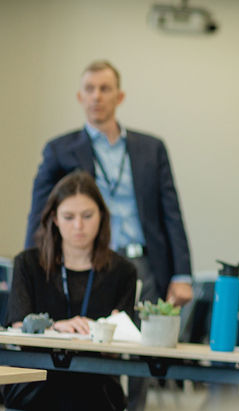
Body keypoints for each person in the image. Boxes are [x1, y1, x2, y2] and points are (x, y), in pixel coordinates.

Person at [26, 60, 193, 308]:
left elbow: (171, 214)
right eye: (89, 89)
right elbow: (40, 212)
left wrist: (182, 274)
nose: (96, 96)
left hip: (144, 264)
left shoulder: (151, 149)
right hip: (87, 262)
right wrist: (30, 272)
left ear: (120, 96)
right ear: (80, 97)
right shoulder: (59, 150)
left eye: (105, 88)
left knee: (142, 342)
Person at [4, 171, 137, 411]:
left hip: (96, 381)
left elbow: (124, 335)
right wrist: (54, 326)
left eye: (87, 216)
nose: (79, 226)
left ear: (102, 217)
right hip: (38, 379)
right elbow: (17, 323)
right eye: (68, 216)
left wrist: (101, 330)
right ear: (54, 218)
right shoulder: (28, 263)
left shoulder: (123, 271)